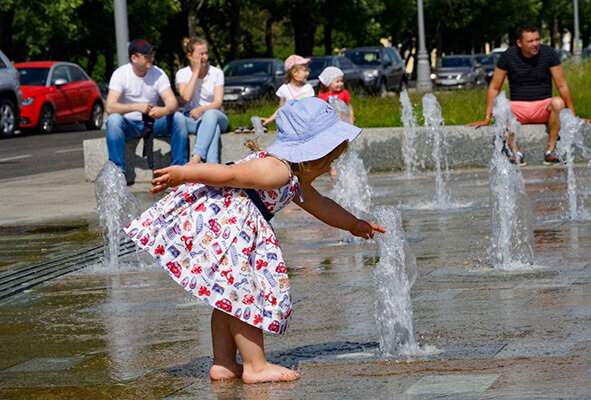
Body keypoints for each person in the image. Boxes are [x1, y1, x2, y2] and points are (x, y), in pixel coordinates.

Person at [124, 97, 385, 384]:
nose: (329, 168)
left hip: (233, 228)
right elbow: (229, 173)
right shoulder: (278, 170)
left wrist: (354, 224)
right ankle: (255, 365)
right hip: (231, 229)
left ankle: (223, 363)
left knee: (228, 296)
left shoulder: (293, 177)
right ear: (314, 154)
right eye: (329, 160)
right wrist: (183, 172)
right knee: (245, 294)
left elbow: (322, 205)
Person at [467, 24, 586, 165]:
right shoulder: (508, 56)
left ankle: (551, 151)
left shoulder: (548, 54)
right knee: (500, 105)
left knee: (558, 103)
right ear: (519, 43)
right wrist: (486, 118)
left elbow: (562, 85)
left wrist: (572, 115)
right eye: (530, 41)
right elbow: (494, 87)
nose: (535, 44)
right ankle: (515, 152)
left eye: (537, 40)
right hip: (519, 108)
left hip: (542, 107)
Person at [105, 39, 188, 173]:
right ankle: (117, 172)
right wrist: (135, 107)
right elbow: (110, 107)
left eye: (152, 55)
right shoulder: (121, 74)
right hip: (130, 124)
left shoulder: (158, 73)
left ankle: (180, 170)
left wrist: (164, 110)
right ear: (134, 58)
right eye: (146, 55)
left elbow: (173, 102)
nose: (151, 58)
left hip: (152, 122)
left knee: (178, 118)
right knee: (113, 120)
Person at [176, 37, 228, 165]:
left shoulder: (216, 73)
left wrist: (202, 109)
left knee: (210, 116)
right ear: (190, 56)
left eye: (206, 53)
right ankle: (212, 167)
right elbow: (186, 97)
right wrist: (196, 72)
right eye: (201, 54)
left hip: (216, 115)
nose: (205, 57)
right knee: (212, 129)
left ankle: (197, 156)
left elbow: (217, 103)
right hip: (193, 119)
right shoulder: (182, 74)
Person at [261, 55, 314, 126]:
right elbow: (281, 109)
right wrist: (270, 119)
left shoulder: (308, 88)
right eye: (305, 70)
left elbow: (312, 107)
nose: (308, 73)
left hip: (305, 125)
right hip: (289, 126)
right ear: (294, 72)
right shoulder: (284, 89)